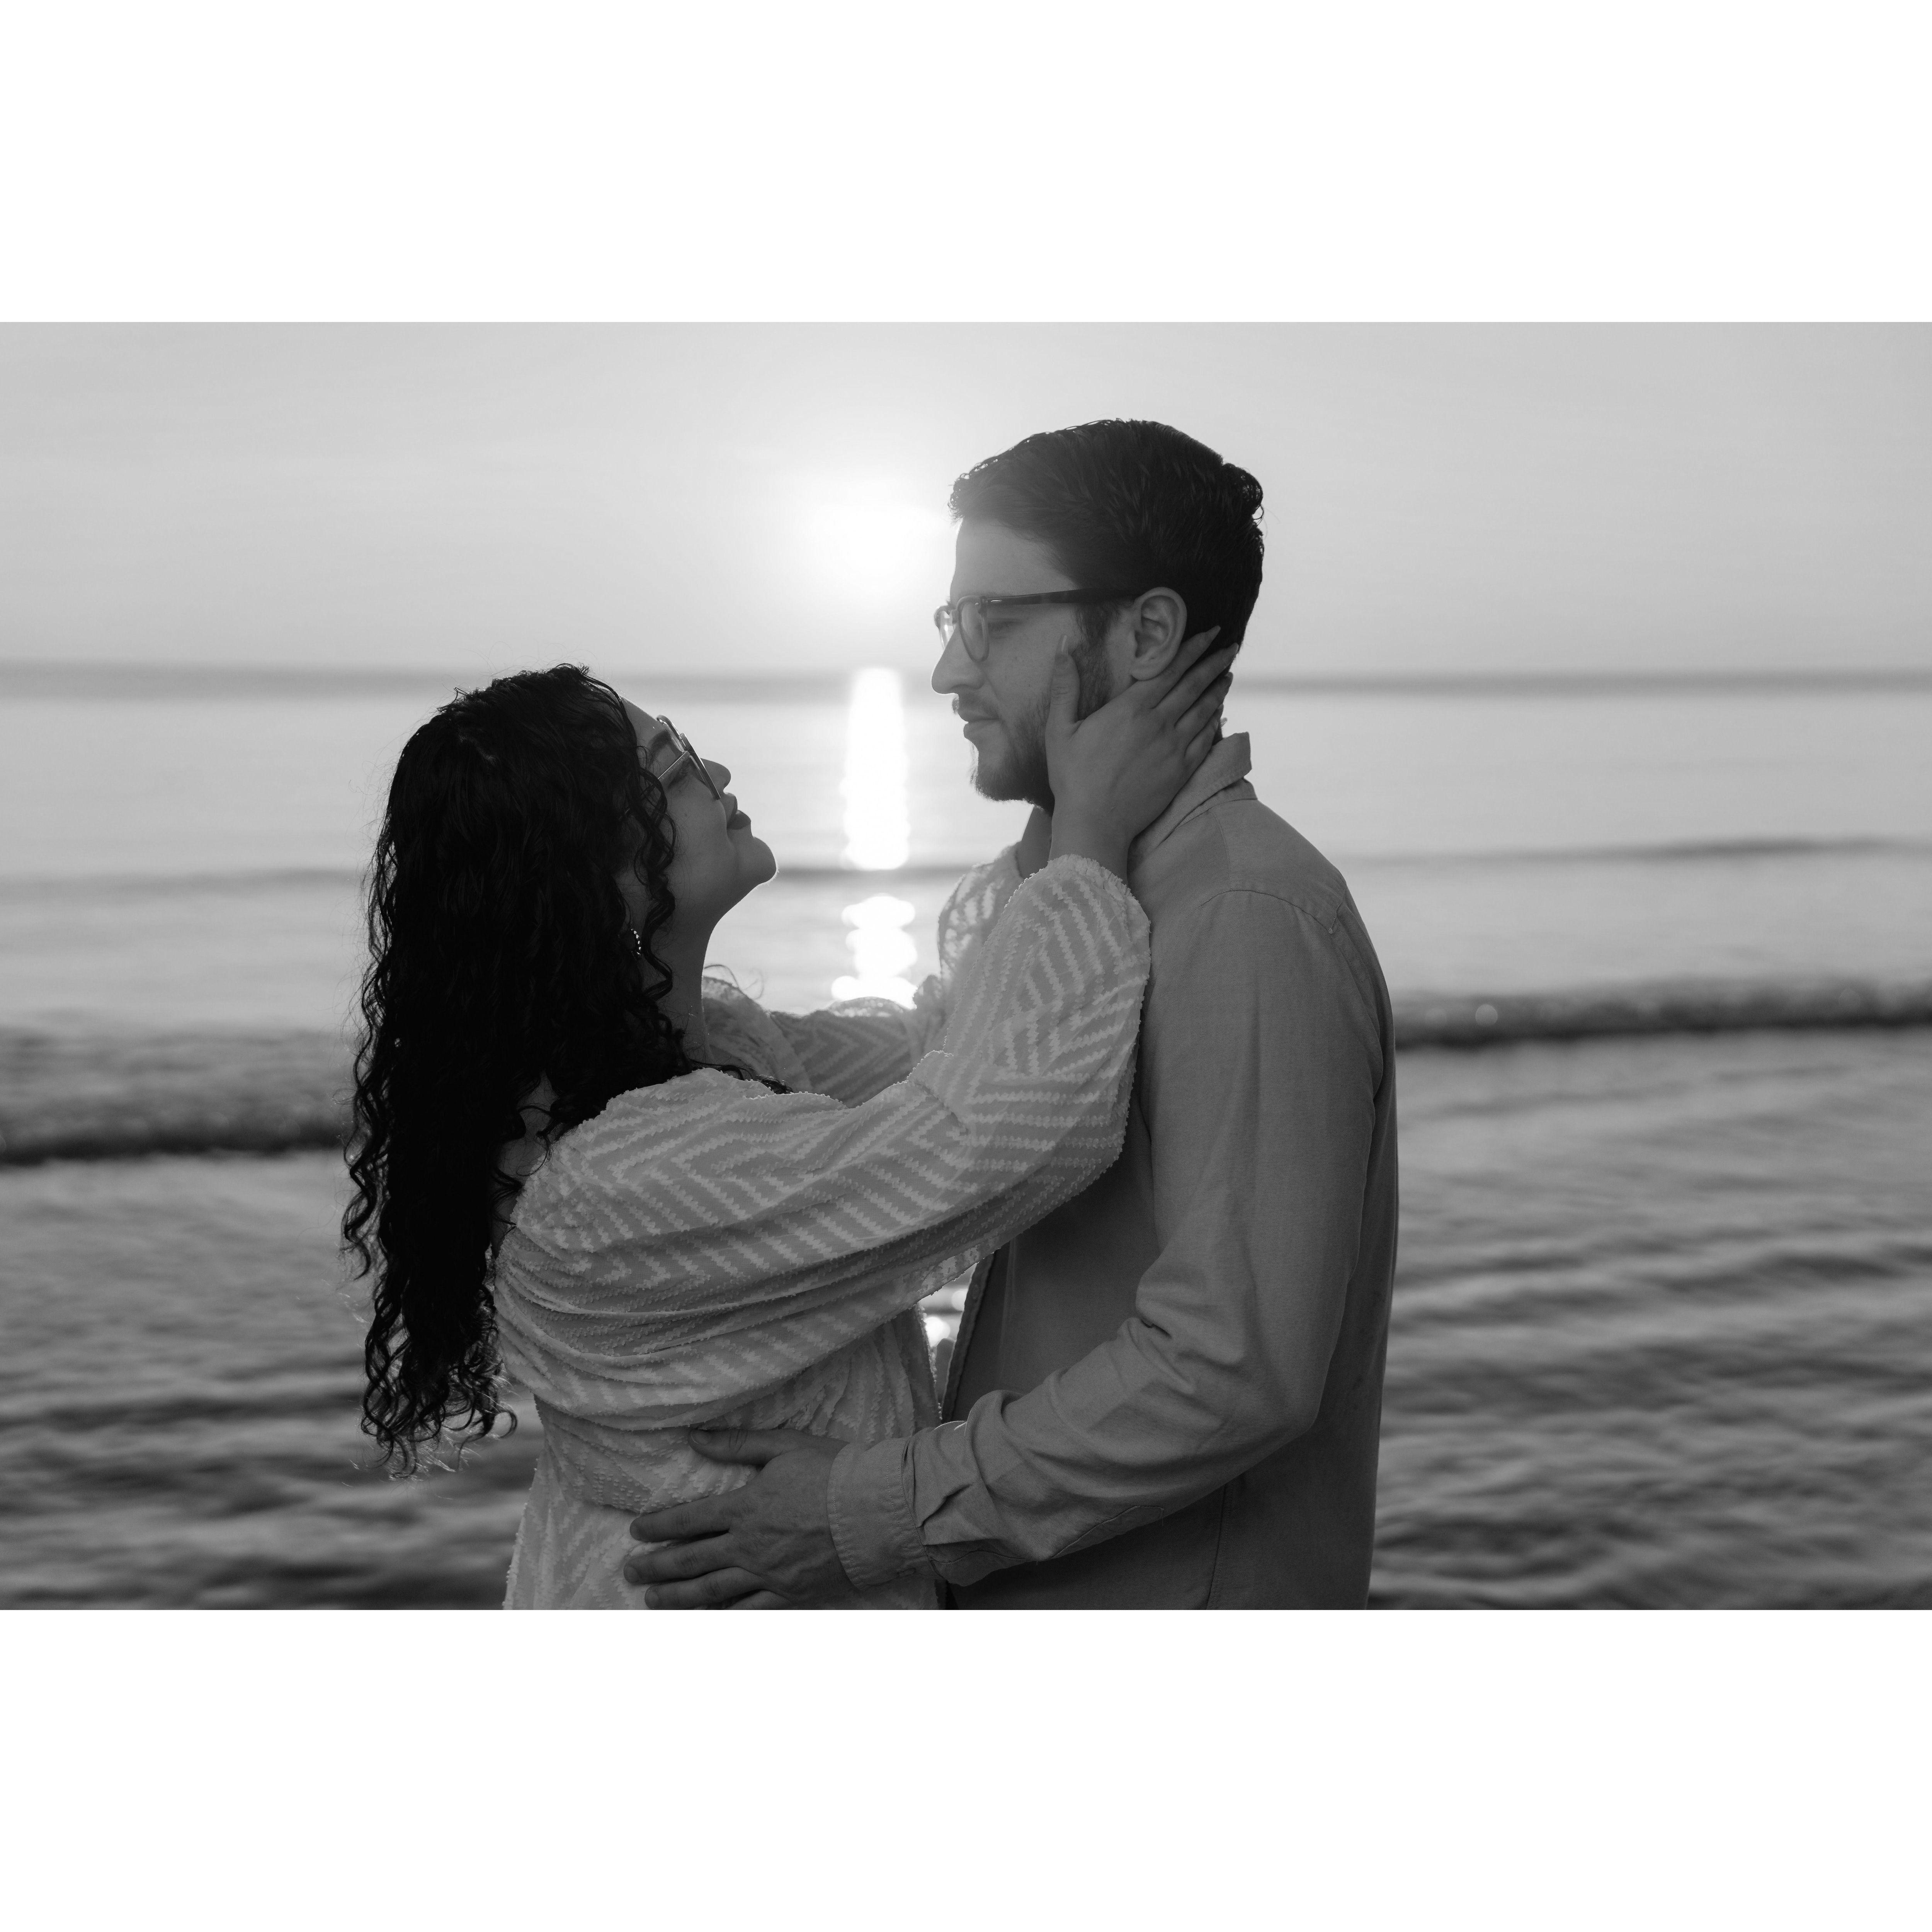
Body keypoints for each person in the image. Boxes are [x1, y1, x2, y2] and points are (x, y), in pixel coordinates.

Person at [625, 418, 1400, 1609]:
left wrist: (872, 1509)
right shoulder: (1063, 900)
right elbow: (920, 1083)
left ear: (1146, 634)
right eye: (952, 620)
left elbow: (1234, 1367)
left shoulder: (1243, 916)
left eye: (992, 620)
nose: (949, 670)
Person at [344, 639, 1233, 1608]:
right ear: (603, 878)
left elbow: (941, 1047)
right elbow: (1003, 1132)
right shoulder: (614, 1181)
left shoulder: (698, 1051)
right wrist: (1093, 834)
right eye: (674, 773)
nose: (717, 773)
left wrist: (1060, 803)